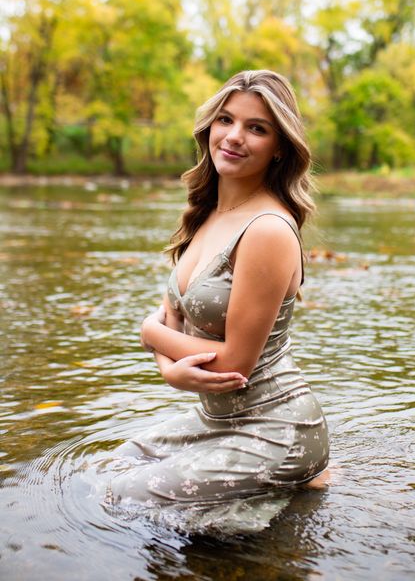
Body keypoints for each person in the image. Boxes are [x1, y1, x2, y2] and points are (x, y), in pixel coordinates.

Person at [107, 70, 330, 522]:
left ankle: (289, 492)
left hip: (275, 426)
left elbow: (231, 364)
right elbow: (171, 320)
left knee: (124, 496)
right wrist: (168, 362)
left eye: (257, 128)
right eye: (225, 120)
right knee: (110, 467)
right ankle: (267, 505)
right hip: (217, 420)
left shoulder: (267, 229)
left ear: (280, 146)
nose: (233, 136)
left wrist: (150, 335)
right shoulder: (210, 212)